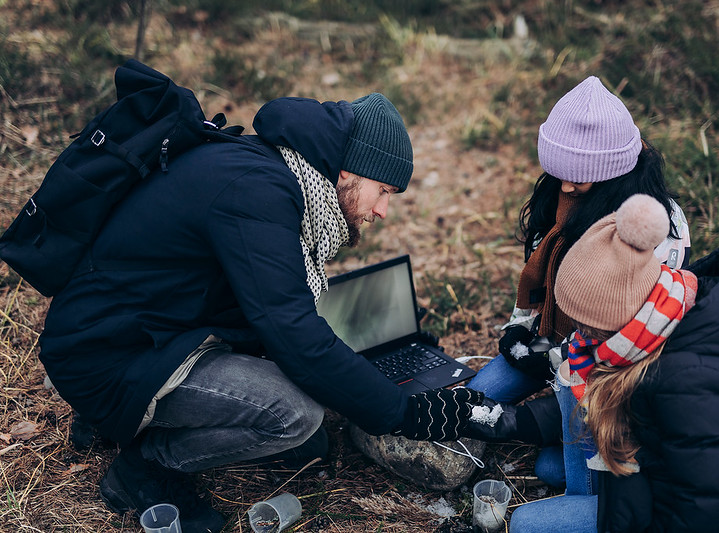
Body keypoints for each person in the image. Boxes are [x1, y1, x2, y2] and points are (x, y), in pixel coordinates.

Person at [37, 92, 484, 533]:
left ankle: (119, 418)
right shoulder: (256, 193)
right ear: (348, 169)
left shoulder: (275, 173)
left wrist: (379, 344)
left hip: (150, 330)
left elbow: (282, 304)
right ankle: (145, 465)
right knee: (295, 416)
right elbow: (294, 335)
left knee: (311, 433)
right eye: (382, 191)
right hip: (107, 353)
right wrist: (402, 413)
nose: (383, 211)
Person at [490, 194, 719, 532]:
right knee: (548, 465)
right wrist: (505, 422)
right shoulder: (643, 332)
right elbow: (603, 403)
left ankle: (590, 495)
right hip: (655, 462)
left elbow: (708, 507)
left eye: (585, 323)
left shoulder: (691, 382)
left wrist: (621, 509)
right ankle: (588, 491)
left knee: (526, 524)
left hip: (702, 507)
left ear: (615, 317)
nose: (577, 333)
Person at [466, 75, 691, 488]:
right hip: (547, 344)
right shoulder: (560, 194)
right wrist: (520, 330)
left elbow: (631, 342)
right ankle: (556, 430)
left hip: (603, 373)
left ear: (612, 172)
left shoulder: (654, 226)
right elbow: (538, 281)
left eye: (578, 177)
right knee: (477, 396)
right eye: (558, 172)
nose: (566, 184)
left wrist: (557, 361)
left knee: (551, 468)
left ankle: (567, 439)